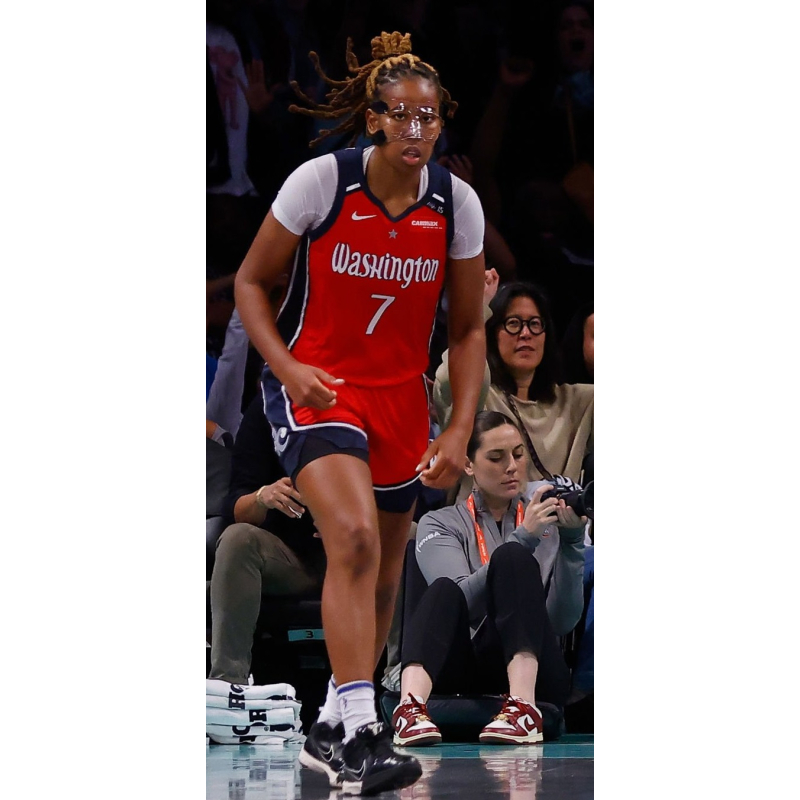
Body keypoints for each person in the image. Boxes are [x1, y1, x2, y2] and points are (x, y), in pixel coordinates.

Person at [234, 31, 486, 796]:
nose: (416, 128)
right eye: (400, 114)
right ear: (374, 119)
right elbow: (250, 283)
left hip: (400, 396)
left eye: (429, 116)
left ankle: (326, 729)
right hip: (320, 385)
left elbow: (467, 328)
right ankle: (363, 730)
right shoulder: (322, 182)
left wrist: (458, 427)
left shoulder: (456, 204)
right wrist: (287, 369)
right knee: (351, 539)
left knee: (382, 574)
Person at [391, 411, 586, 746]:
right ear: (468, 465)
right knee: (445, 587)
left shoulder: (546, 519)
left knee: (513, 557)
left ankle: (523, 708)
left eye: (518, 455)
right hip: (462, 666)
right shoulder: (440, 523)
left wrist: (572, 543)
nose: (511, 467)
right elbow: (459, 604)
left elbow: (560, 621)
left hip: (535, 669)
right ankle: (409, 708)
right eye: (496, 458)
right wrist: (523, 538)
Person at [208, 392, 326, 686]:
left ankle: (403, 688)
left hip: (361, 555)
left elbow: (406, 499)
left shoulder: (369, 403)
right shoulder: (267, 407)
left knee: (410, 536)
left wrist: (353, 522)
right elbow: (236, 505)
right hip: (293, 557)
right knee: (237, 538)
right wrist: (262, 497)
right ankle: (227, 685)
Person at [435, 280, 593, 495]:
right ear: (492, 333)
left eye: (535, 324)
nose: (526, 333)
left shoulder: (579, 402)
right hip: (480, 517)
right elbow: (450, 378)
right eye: (513, 323)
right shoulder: (479, 396)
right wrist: (478, 309)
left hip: (557, 518)